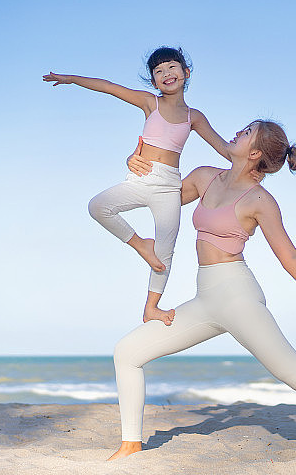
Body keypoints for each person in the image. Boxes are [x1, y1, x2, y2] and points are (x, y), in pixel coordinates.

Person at [108, 120, 296, 460]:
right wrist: (137, 167)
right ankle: (130, 444)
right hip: (205, 299)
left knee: (295, 374)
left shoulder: (261, 200)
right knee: (128, 352)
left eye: (247, 132)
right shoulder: (206, 176)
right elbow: (159, 201)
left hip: (237, 296)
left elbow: (290, 257)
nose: (238, 131)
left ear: (254, 153)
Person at [43, 47, 236, 326]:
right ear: (154, 81)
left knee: (165, 253)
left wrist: (258, 155)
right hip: (141, 178)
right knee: (98, 206)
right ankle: (139, 244)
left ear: (186, 73)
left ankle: (151, 308)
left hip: (169, 186)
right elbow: (109, 87)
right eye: (158, 71)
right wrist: (71, 79)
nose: (166, 74)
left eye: (171, 67)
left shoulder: (194, 117)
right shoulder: (150, 103)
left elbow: (223, 147)